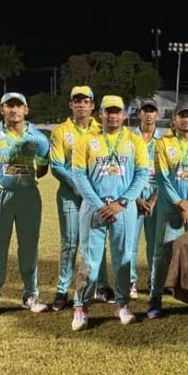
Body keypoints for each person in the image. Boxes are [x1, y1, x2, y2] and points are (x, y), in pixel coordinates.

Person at [70, 95, 148, 331]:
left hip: (123, 209)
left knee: (123, 257)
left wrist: (122, 202)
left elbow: (142, 174)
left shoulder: (135, 141)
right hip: (94, 208)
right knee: (89, 259)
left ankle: (122, 304)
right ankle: (81, 306)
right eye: (108, 111)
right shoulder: (86, 140)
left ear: (124, 115)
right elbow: (79, 175)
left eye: (117, 111)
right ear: (100, 114)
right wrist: (98, 203)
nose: (113, 116)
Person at [0, 92, 51, 319]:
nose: (14, 110)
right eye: (9, 106)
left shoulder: (39, 138)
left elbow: (43, 167)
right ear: (1, 110)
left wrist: (22, 179)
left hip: (28, 197)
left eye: (18, 106)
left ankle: (30, 295)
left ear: (26, 110)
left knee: (29, 248)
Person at [49, 86, 115, 311]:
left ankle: (102, 286)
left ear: (93, 105)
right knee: (70, 243)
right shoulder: (60, 132)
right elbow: (56, 166)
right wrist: (80, 187)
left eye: (85, 101)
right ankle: (62, 290)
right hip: (71, 196)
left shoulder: (102, 129)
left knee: (98, 240)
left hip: (97, 197)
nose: (80, 105)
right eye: (76, 101)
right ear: (70, 105)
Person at [148, 102, 188, 318]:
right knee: (162, 254)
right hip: (170, 209)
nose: (185, 120)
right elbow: (163, 179)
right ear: (174, 119)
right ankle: (155, 299)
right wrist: (180, 204)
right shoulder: (163, 144)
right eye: (181, 116)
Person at [130, 99, 163, 299]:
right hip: (133, 195)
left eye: (152, 111)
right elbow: (124, 171)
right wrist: (135, 198)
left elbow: (166, 174)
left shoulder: (163, 141)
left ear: (157, 115)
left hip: (155, 197)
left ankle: (154, 281)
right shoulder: (128, 138)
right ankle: (130, 282)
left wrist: (152, 200)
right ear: (139, 114)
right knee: (130, 244)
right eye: (145, 111)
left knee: (154, 244)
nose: (149, 115)